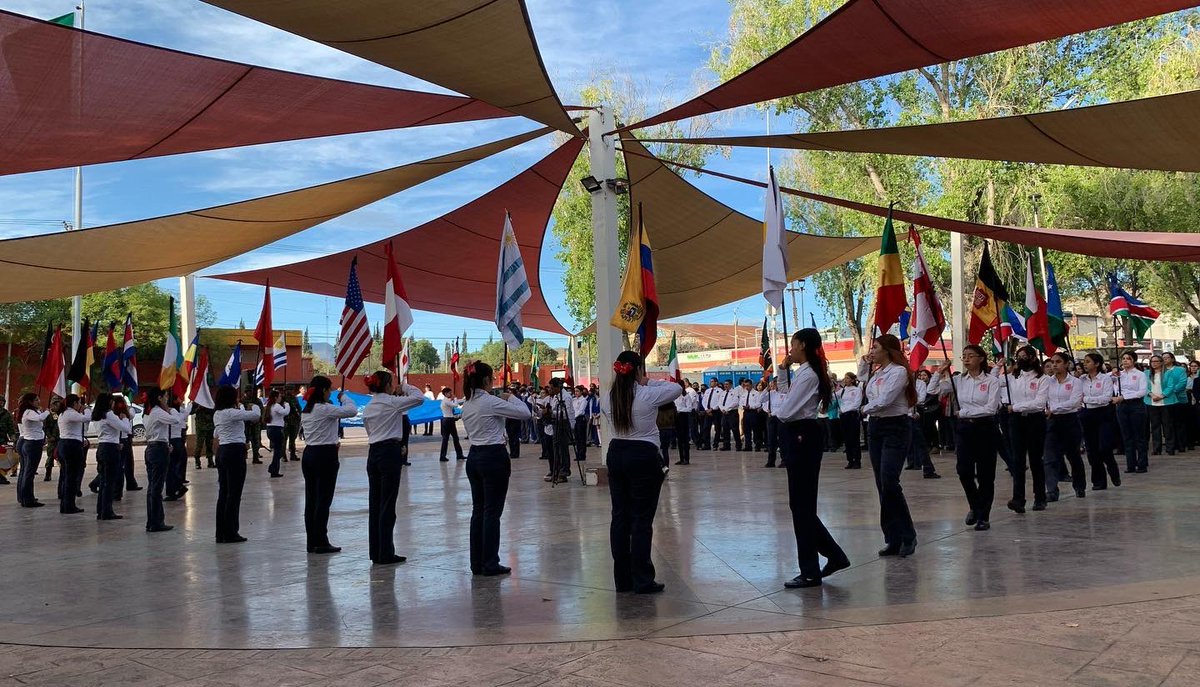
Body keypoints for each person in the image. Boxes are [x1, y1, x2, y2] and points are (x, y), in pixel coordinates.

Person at [775, 329, 850, 588]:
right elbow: (784, 391)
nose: (790, 349)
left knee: (802, 506)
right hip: (799, 435)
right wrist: (783, 369)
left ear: (803, 345)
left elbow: (786, 410)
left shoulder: (808, 375)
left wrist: (777, 410)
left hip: (802, 436)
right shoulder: (803, 372)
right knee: (800, 506)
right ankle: (834, 556)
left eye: (793, 344)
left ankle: (810, 570)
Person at [602, 351, 682, 593]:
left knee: (620, 517)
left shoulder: (607, 397)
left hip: (616, 452)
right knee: (641, 519)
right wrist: (647, 381)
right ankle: (642, 579)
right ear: (637, 369)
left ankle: (622, 580)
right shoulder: (647, 393)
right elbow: (676, 388)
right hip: (643, 455)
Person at [460, 361, 532, 576]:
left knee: (478, 511)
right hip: (493, 456)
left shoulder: (468, 403)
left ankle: (477, 562)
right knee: (492, 512)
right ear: (486, 380)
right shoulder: (490, 402)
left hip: (474, 456)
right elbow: (525, 413)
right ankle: (490, 562)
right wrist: (511, 397)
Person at [859, 334, 919, 557]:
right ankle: (892, 537)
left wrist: (863, 409)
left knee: (889, 480)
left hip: (895, 427)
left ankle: (907, 535)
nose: (872, 351)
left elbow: (885, 400)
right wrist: (863, 365)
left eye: (875, 347)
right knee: (881, 485)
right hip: (876, 428)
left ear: (887, 350)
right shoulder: (876, 374)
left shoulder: (899, 372)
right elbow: (861, 384)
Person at [362, 370, 425, 565]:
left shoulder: (369, 406)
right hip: (389, 453)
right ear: (388, 386)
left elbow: (370, 431)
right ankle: (386, 552)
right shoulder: (392, 402)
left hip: (374, 452)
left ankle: (376, 551)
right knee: (388, 504)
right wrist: (405, 386)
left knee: (375, 504)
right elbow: (419, 398)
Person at [299, 376, 358, 554]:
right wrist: (343, 397)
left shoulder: (307, 409)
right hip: (325, 455)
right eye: (329, 389)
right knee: (324, 500)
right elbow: (352, 411)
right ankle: (321, 541)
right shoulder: (324, 409)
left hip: (310, 454)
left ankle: (312, 541)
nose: (330, 393)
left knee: (311, 500)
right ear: (323, 390)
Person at [946, 346, 1002, 531]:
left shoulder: (992, 381)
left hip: (985, 428)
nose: (967, 359)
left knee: (986, 474)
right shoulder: (959, 380)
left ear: (981, 358)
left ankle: (983, 516)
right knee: (964, 470)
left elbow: (991, 408)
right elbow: (933, 390)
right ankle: (975, 504)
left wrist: (964, 412)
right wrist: (940, 373)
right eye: (964, 356)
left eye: (971, 356)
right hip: (965, 429)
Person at [213, 386, 262, 543]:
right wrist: (253, 404)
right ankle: (231, 531)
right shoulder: (230, 413)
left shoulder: (218, 413)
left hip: (223, 451)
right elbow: (256, 415)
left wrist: (241, 407)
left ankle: (221, 532)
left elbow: (216, 433)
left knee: (224, 493)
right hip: (234, 451)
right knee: (234, 494)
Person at [1005, 345, 1049, 513]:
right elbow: (998, 384)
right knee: (1018, 461)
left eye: (1024, 356)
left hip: (1035, 420)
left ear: (1032, 358)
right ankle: (1018, 498)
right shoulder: (1013, 377)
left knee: (1036, 460)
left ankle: (1040, 497)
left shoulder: (1042, 378)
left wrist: (1016, 407)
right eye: (1018, 356)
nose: (1021, 360)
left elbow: (1039, 403)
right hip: (1017, 421)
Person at [142, 388, 187, 533]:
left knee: (152, 487)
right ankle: (156, 522)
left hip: (154, 447)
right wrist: (170, 409)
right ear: (159, 398)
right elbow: (176, 420)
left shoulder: (152, 412)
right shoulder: (157, 411)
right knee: (156, 488)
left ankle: (152, 521)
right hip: (157, 450)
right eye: (166, 397)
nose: (167, 399)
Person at [1044, 352, 1087, 501]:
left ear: (1067, 364)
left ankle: (1079, 486)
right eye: (1052, 362)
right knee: (1049, 457)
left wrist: (1054, 408)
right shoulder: (1048, 382)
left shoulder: (1075, 382)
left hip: (1070, 420)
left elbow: (1074, 402)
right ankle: (1051, 490)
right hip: (1052, 421)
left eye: (1058, 362)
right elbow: (1043, 399)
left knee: (1073, 455)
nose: (1054, 365)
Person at [1080, 353, 1122, 490]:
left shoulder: (1105, 379)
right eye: (1084, 362)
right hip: (1087, 415)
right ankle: (1098, 480)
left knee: (1104, 447)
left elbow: (1106, 398)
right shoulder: (1081, 380)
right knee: (1091, 450)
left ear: (1097, 364)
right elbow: (1078, 396)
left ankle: (1112, 469)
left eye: (1088, 362)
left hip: (1104, 414)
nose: (1085, 364)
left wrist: (1086, 399)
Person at [91, 394, 131, 520]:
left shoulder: (97, 415)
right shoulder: (109, 414)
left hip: (102, 446)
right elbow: (126, 428)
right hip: (110, 448)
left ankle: (101, 510)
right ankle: (107, 511)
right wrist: (124, 418)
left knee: (104, 481)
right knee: (109, 482)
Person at [1115, 351, 1150, 474]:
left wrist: (1125, 396)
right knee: (1126, 436)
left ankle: (1142, 463)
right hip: (1122, 406)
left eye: (1128, 359)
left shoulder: (1140, 374)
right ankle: (1130, 464)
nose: (1125, 361)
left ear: (1133, 361)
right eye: (1123, 358)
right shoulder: (1118, 375)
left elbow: (1141, 392)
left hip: (1136, 406)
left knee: (1139, 436)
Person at [906, 369, 943, 478]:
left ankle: (925, 467)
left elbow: (921, 398)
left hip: (915, 414)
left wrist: (911, 401)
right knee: (907, 443)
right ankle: (911, 462)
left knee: (920, 442)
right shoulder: (902, 383)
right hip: (903, 415)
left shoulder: (920, 384)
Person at [15, 393, 50, 507]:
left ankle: (26, 497)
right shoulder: (29, 412)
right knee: (29, 473)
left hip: (31, 442)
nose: (38, 401)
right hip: (32, 443)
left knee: (27, 472)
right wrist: (47, 411)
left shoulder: (30, 411)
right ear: (30, 402)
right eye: (36, 400)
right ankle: (27, 499)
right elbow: (39, 418)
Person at [54, 394, 87, 514]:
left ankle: (65, 504)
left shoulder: (64, 413)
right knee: (71, 477)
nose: (80, 405)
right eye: (79, 403)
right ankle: (69, 505)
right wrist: (86, 410)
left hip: (65, 444)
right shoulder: (70, 413)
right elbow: (87, 418)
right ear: (74, 404)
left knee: (67, 476)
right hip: (71, 446)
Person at [164, 394, 191, 501]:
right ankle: (176, 487)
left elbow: (179, 421)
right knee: (172, 467)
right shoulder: (176, 411)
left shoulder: (173, 411)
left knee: (171, 467)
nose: (181, 400)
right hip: (176, 440)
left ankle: (175, 489)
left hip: (174, 440)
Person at [1161, 352, 1189, 454]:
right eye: (1163, 358)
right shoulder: (1161, 371)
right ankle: (1171, 445)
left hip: (1179, 399)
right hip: (1165, 401)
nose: (1165, 360)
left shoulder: (1180, 370)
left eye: (1167, 357)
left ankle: (1181, 445)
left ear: (1172, 359)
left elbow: (1182, 383)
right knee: (1168, 424)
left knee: (1180, 423)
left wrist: (1169, 392)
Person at [838, 373, 863, 469]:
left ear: (852, 380)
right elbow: (833, 396)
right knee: (847, 439)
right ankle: (850, 460)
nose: (845, 379)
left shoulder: (857, 390)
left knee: (854, 439)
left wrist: (845, 409)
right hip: (844, 416)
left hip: (852, 415)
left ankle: (857, 460)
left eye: (848, 378)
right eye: (845, 378)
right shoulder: (843, 390)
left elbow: (857, 404)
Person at [264, 389, 288, 477]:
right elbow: (286, 412)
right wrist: (287, 405)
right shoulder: (277, 406)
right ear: (276, 397)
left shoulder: (270, 405)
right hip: (276, 430)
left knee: (277, 451)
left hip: (270, 429)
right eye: (280, 396)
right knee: (279, 451)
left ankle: (274, 469)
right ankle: (273, 469)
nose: (281, 398)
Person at [438, 386, 465, 461]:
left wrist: (463, 400)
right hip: (449, 420)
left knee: (447, 439)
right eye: (450, 393)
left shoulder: (446, 400)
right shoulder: (446, 401)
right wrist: (455, 398)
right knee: (454, 438)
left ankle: (443, 456)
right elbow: (455, 405)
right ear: (446, 394)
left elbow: (456, 402)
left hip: (447, 420)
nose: (451, 394)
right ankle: (458, 455)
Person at [761, 379, 784, 468]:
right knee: (771, 440)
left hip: (781, 418)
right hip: (771, 418)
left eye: (775, 383)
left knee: (782, 440)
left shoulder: (784, 393)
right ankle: (771, 461)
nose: (774, 385)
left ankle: (784, 460)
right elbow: (761, 399)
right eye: (772, 383)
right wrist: (766, 390)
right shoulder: (771, 393)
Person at [718, 379, 744, 451]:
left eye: (727, 384)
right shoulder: (723, 393)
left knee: (735, 429)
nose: (725, 386)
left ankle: (738, 445)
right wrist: (722, 409)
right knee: (725, 429)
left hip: (732, 412)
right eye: (725, 384)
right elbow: (720, 402)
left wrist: (727, 409)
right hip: (724, 413)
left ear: (731, 384)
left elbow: (735, 402)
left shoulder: (735, 392)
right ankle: (726, 445)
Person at [673, 379, 694, 466]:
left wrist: (679, 410)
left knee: (685, 439)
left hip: (683, 417)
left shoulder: (686, 396)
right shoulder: (674, 396)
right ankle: (681, 458)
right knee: (679, 439)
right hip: (676, 417)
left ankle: (686, 459)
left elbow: (689, 408)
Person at [41, 398, 61, 483]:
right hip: (53, 439)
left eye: (58, 404)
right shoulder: (49, 415)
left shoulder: (62, 413)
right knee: (50, 457)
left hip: (61, 438)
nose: (57, 406)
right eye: (55, 404)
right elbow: (45, 427)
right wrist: (50, 436)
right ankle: (48, 474)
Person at [698, 379, 720, 450]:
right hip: (707, 411)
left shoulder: (720, 391)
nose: (711, 383)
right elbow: (704, 401)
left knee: (717, 428)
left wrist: (712, 409)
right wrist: (706, 409)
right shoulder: (707, 391)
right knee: (706, 428)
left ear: (716, 382)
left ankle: (715, 445)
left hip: (716, 411)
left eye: (712, 381)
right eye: (710, 381)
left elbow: (720, 402)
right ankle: (707, 445)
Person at [243, 394, 264, 464]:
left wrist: (259, 420)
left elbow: (261, 410)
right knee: (245, 441)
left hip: (256, 424)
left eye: (250, 392)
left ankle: (255, 457)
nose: (249, 393)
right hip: (246, 423)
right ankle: (244, 455)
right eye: (247, 392)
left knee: (256, 441)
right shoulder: (243, 400)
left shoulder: (257, 400)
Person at [193, 405, 215, 469]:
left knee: (209, 445)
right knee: (199, 445)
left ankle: (210, 462)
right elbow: (191, 412)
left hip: (210, 426)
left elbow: (214, 411)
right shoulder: (197, 401)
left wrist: (207, 407)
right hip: (200, 427)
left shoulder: (209, 401)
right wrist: (198, 408)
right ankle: (197, 462)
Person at [572, 386, 591, 464]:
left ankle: (582, 455)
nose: (576, 393)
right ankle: (578, 454)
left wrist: (574, 416)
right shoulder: (574, 400)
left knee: (581, 438)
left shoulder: (584, 400)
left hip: (580, 419)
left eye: (577, 391)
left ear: (581, 392)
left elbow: (581, 411)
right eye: (575, 391)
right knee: (577, 438)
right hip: (574, 419)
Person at [283, 386, 302, 461]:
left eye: (291, 389)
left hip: (294, 421)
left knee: (292, 439)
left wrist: (299, 414)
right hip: (286, 421)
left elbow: (299, 407)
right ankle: (283, 456)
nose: (290, 391)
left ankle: (292, 454)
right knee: (284, 439)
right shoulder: (283, 399)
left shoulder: (294, 398)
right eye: (288, 389)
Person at [0, 395, 14, 485]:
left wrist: (12, 435)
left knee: (2, 459)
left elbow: (10, 426)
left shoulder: (6, 413)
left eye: (2, 401)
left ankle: (1, 477)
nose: (1, 403)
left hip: (2, 439)